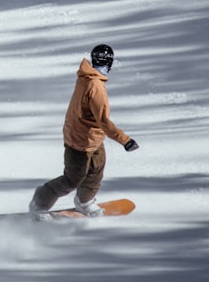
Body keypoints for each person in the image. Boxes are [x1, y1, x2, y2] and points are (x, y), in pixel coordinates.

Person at [28, 44, 139, 220]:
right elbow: (103, 121)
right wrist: (125, 140)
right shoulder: (95, 86)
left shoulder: (87, 77)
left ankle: (84, 202)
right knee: (73, 178)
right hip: (79, 140)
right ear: (110, 63)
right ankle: (39, 203)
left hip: (92, 138)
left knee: (96, 171)